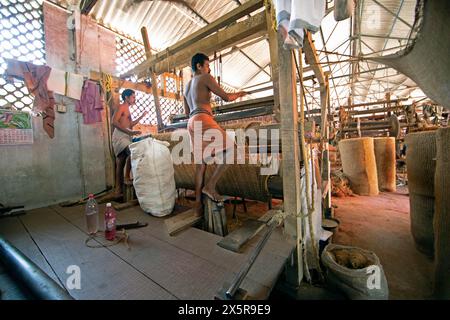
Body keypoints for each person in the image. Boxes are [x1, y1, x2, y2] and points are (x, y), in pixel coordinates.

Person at [184, 53, 247, 216]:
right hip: (203, 118)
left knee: (201, 164)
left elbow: (186, 112)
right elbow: (226, 97)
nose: (209, 69)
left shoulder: (187, 85)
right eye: (207, 65)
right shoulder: (205, 77)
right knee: (232, 150)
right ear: (199, 66)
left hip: (191, 121)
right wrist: (239, 94)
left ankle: (197, 204)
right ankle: (210, 186)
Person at [112, 89, 147, 197]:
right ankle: (126, 178)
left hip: (126, 136)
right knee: (132, 152)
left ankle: (119, 190)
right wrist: (129, 131)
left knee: (121, 161)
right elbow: (114, 122)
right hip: (120, 136)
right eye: (133, 97)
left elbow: (130, 124)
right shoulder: (122, 107)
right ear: (126, 97)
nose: (134, 99)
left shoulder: (127, 109)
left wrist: (142, 116)